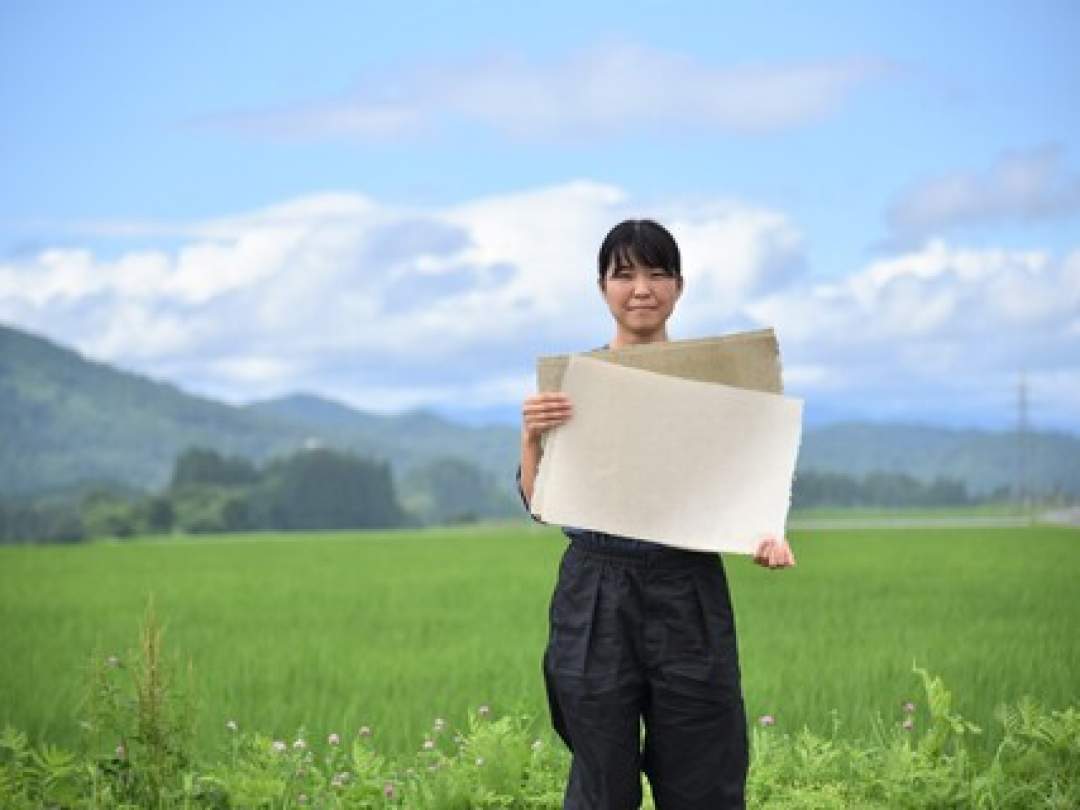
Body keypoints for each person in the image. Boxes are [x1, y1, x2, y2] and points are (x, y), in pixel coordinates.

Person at [517, 219, 795, 810]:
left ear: (679, 286)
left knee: (704, 774)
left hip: (686, 584)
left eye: (656, 273)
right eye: (625, 275)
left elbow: (747, 481)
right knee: (601, 784)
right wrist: (532, 437)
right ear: (602, 288)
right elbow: (541, 505)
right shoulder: (576, 383)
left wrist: (766, 536)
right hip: (596, 589)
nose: (641, 288)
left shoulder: (715, 384)